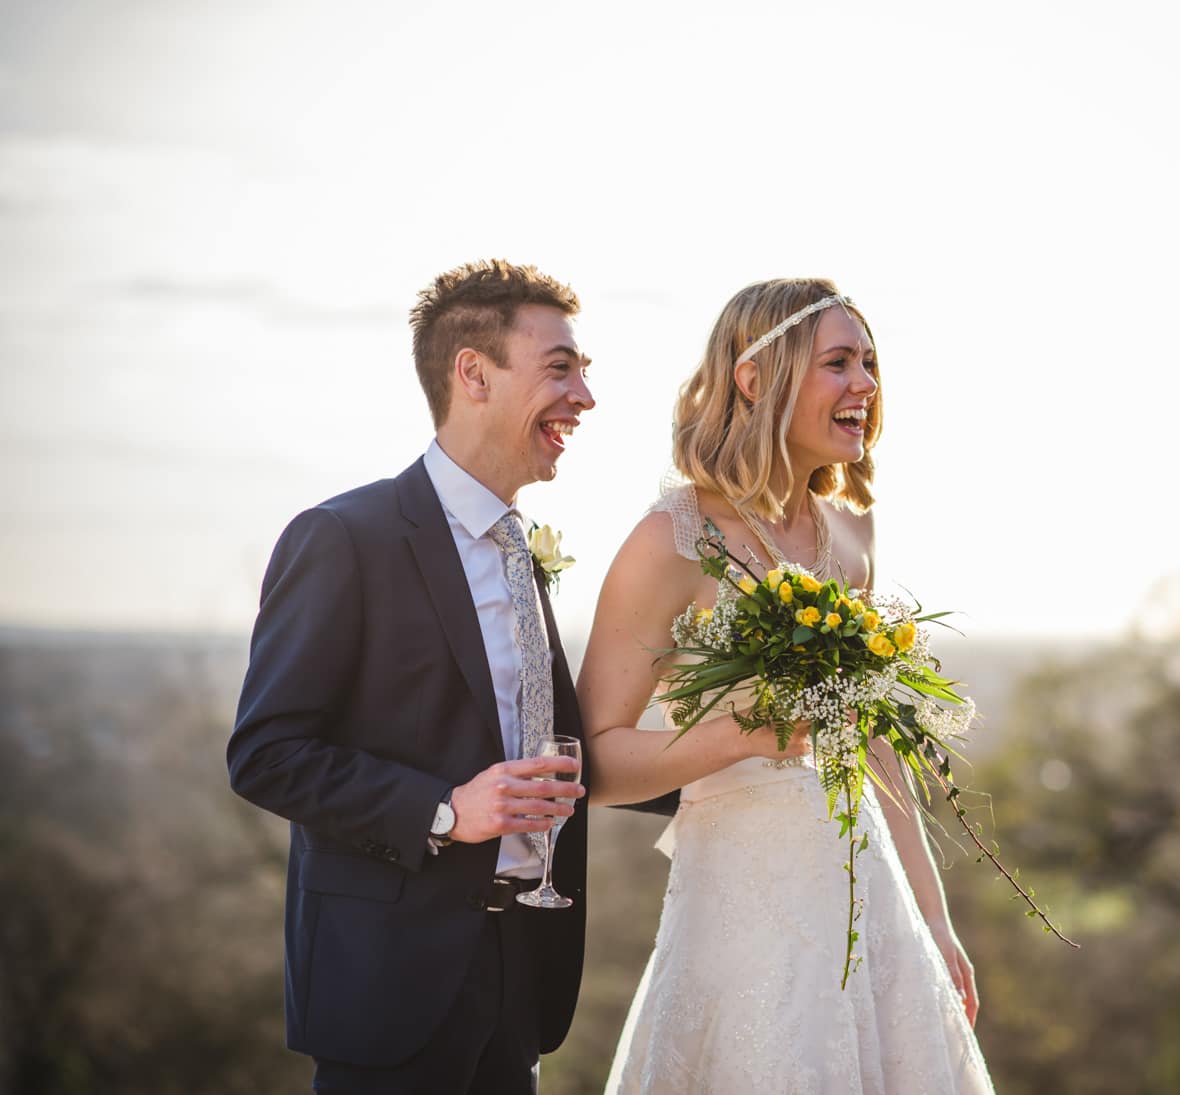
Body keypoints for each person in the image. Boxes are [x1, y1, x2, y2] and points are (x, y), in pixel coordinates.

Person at [578, 278, 994, 1094]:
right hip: (736, 913)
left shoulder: (851, 534)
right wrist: (739, 738)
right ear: (755, 378)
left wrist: (933, 918)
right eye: (838, 363)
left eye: (869, 363)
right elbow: (593, 758)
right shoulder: (672, 540)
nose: (866, 386)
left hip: (865, 904)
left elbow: (871, 741)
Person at [228, 260, 631, 1093]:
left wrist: (746, 757)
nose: (585, 395)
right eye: (561, 366)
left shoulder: (522, 547)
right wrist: (447, 809)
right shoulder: (344, 536)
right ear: (474, 374)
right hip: (389, 989)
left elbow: (557, 745)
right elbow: (266, 753)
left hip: (520, 979)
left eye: (584, 370)